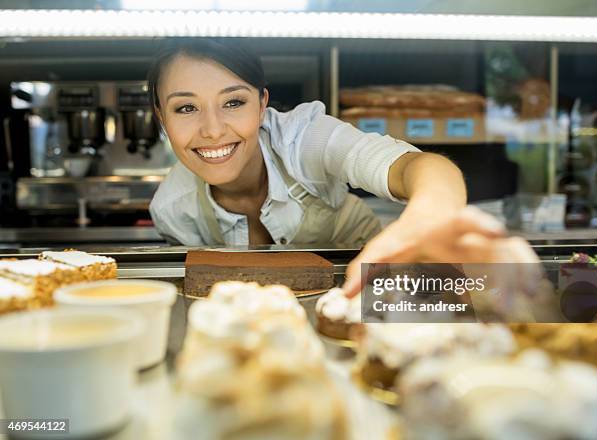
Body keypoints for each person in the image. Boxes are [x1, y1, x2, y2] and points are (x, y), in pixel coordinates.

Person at [147, 38, 534, 297]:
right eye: (186, 108)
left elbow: (419, 167)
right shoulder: (172, 209)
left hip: (371, 283)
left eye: (233, 102)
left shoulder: (303, 138)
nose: (213, 130)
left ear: (263, 104)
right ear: (161, 117)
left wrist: (427, 218)